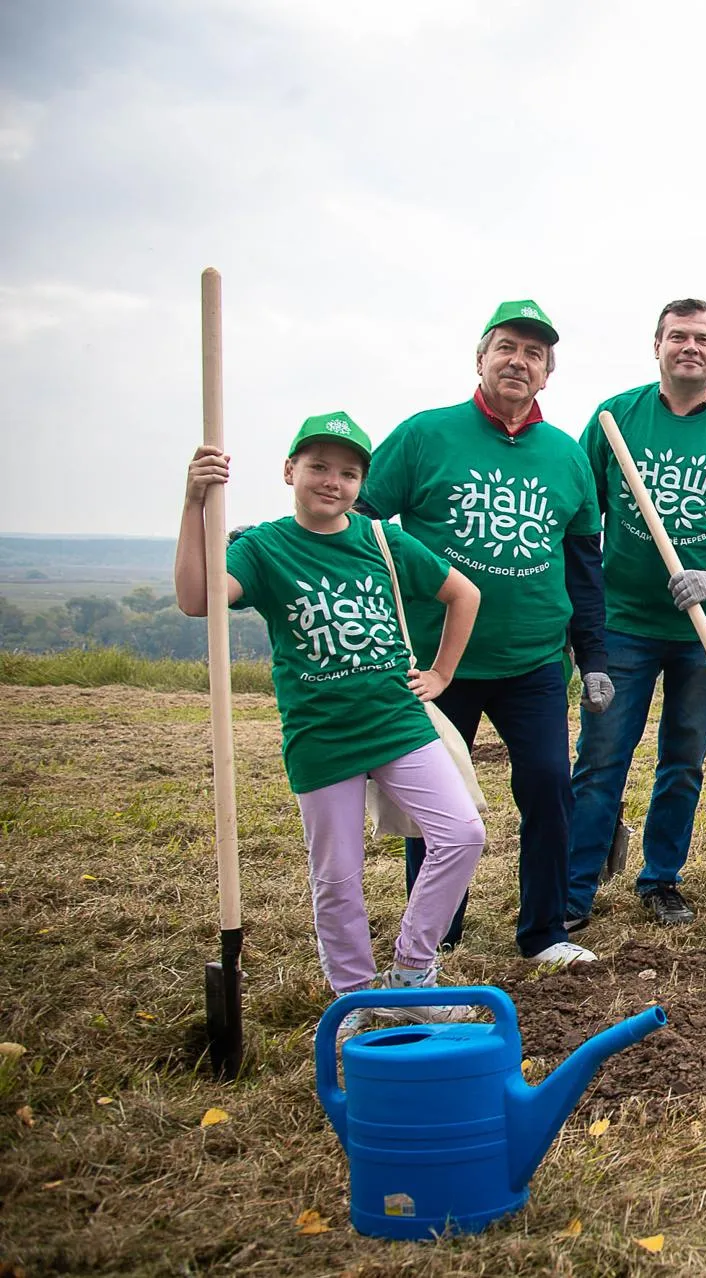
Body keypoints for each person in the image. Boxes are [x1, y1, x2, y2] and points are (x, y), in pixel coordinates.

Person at [174, 412, 486, 1039]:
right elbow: (197, 597)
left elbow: (464, 593)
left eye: (348, 472)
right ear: (290, 471)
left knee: (463, 834)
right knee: (337, 876)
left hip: (398, 720)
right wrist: (193, 504)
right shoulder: (263, 548)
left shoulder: (380, 540)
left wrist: (442, 675)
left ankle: (412, 977)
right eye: (318, 466)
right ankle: (353, 999)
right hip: (321, 733)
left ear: (360, 483)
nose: (332, 481)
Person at [359, 300, 610, 968]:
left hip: (532, 662)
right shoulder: (423, 437)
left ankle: (545, 933)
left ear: (546, 374)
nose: (518, 361)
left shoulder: (566, 456)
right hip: (440, 661)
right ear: (481, 359)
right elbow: (358, 522)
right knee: (436, 805)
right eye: (506, 347)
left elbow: (585, 565)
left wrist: (595, 654)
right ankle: (435, 933)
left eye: (533, 353)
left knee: (550, 791)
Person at [569, 299, 706, 927]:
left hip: (705, 633)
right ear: (656, 345)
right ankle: (573, 891)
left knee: (683, 759)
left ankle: (660, 879)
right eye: (678, 336)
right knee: (602, 757)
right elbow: (580, 521)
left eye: (703, 338)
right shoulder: (613, 420)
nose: (690, 346)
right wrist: (584, 628)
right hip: (623, 624)